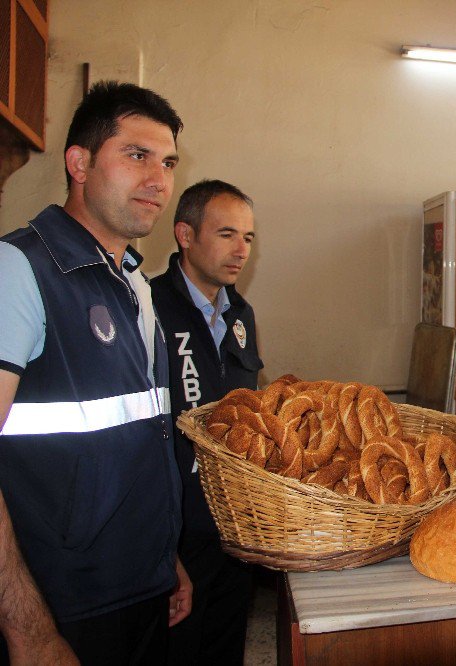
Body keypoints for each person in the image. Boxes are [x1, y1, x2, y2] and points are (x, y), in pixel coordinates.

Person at [0, 81, 191, 664]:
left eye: (168, 162)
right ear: (78, 162)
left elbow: (139, 439)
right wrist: (27, 628)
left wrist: (167, 559)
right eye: (136, 155)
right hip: (60, 603)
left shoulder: (134, 282)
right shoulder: (18, 269)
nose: (159, 180)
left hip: (141, 588)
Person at [150, 179, 262, 664]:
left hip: (233, 526)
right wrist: (163, 546)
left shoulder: (241, 314)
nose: (241, 250)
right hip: (177, 530)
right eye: (226, 234)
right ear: (185, 235)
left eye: (249, 238)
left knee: (225, 646)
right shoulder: (150, 307)